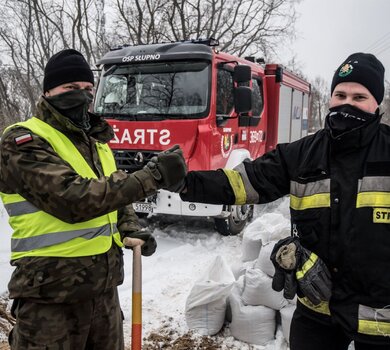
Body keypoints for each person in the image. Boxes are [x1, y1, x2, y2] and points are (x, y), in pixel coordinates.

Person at [179, 52, 390, 349]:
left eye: (359, 97)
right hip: (318, 312)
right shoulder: (303, 154)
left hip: (379, 322)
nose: (347, 103)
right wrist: (184, 181)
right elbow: (243, 182)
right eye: (340, 94)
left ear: (376, 103)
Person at [0, 49, 186, 349]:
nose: (82, 96)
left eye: (88, 89)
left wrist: (128, 227)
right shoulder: (23, 141)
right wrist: (151, 177)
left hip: (103, 291)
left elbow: (114, 197)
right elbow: (73, 200)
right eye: (70, 89)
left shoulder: (95, 142)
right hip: (50, 297)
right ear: (48, 91)